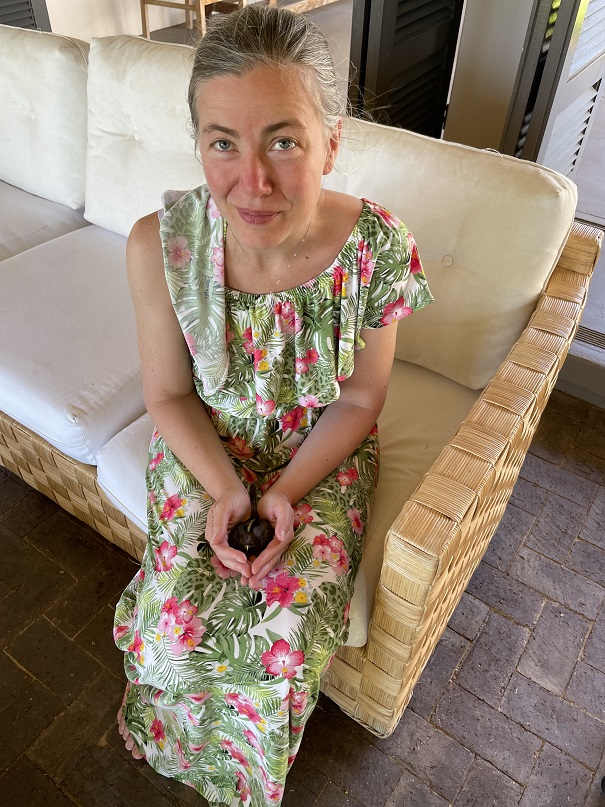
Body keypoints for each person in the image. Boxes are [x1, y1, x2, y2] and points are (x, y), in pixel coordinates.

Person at [113, 5, 433, 806]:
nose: (251, 182)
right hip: (203, 438)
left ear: (331, 142)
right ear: (198, 143)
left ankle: (247, 777)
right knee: (172, 621)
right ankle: (170, 735)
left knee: (280, 635)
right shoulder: (160, 245)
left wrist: (285, 492)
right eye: (223, 142)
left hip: (321, 447)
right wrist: (228, 489)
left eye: (283, 142)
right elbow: (168, 393)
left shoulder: (376, 247)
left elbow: (360, 396)